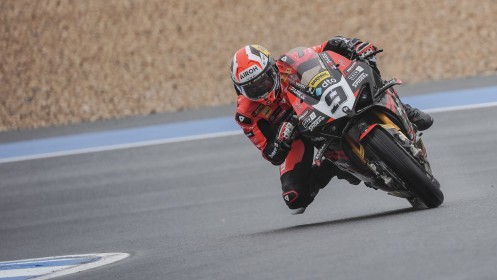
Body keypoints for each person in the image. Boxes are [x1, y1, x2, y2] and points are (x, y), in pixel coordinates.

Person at [230, 36, 433, 215]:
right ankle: (333, 167)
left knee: (366, 67)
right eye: (251, 88)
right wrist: (282, 141)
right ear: (239, 89)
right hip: (296, 136)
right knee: (295, 198)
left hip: (322, 104)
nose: (260, 90)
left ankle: (404, 110)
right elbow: (271, 154)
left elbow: (329, 46)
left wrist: (354, 45)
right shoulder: (246, 115)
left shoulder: (292, 61)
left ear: (272, 68)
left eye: (263, 82)